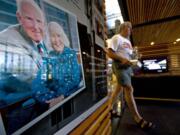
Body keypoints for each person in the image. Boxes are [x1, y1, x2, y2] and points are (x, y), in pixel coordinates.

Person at [105, 21, 154, 130]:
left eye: (131, 28)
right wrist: (122, 59)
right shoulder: (116, 38)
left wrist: (136, 56)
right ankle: (138, 119)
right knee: (129, 89)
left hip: (127, 68)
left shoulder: (128, 42)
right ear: (123, 28)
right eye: (129, 28)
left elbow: (130, 55)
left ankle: (109, 108)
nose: (131, 30)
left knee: (118, 89)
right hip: (119, 66)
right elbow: (109, 53)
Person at [32, 21, 81, 109]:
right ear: (48, 39)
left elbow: (75, 80)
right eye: (53, 36)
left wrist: (61, 96)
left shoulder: (71, 54)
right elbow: (39, 83)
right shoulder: (48, 58)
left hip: (71, 98)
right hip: (53, 102)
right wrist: (51, 98)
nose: (57, 40)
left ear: (63, 37)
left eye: (58, 35)